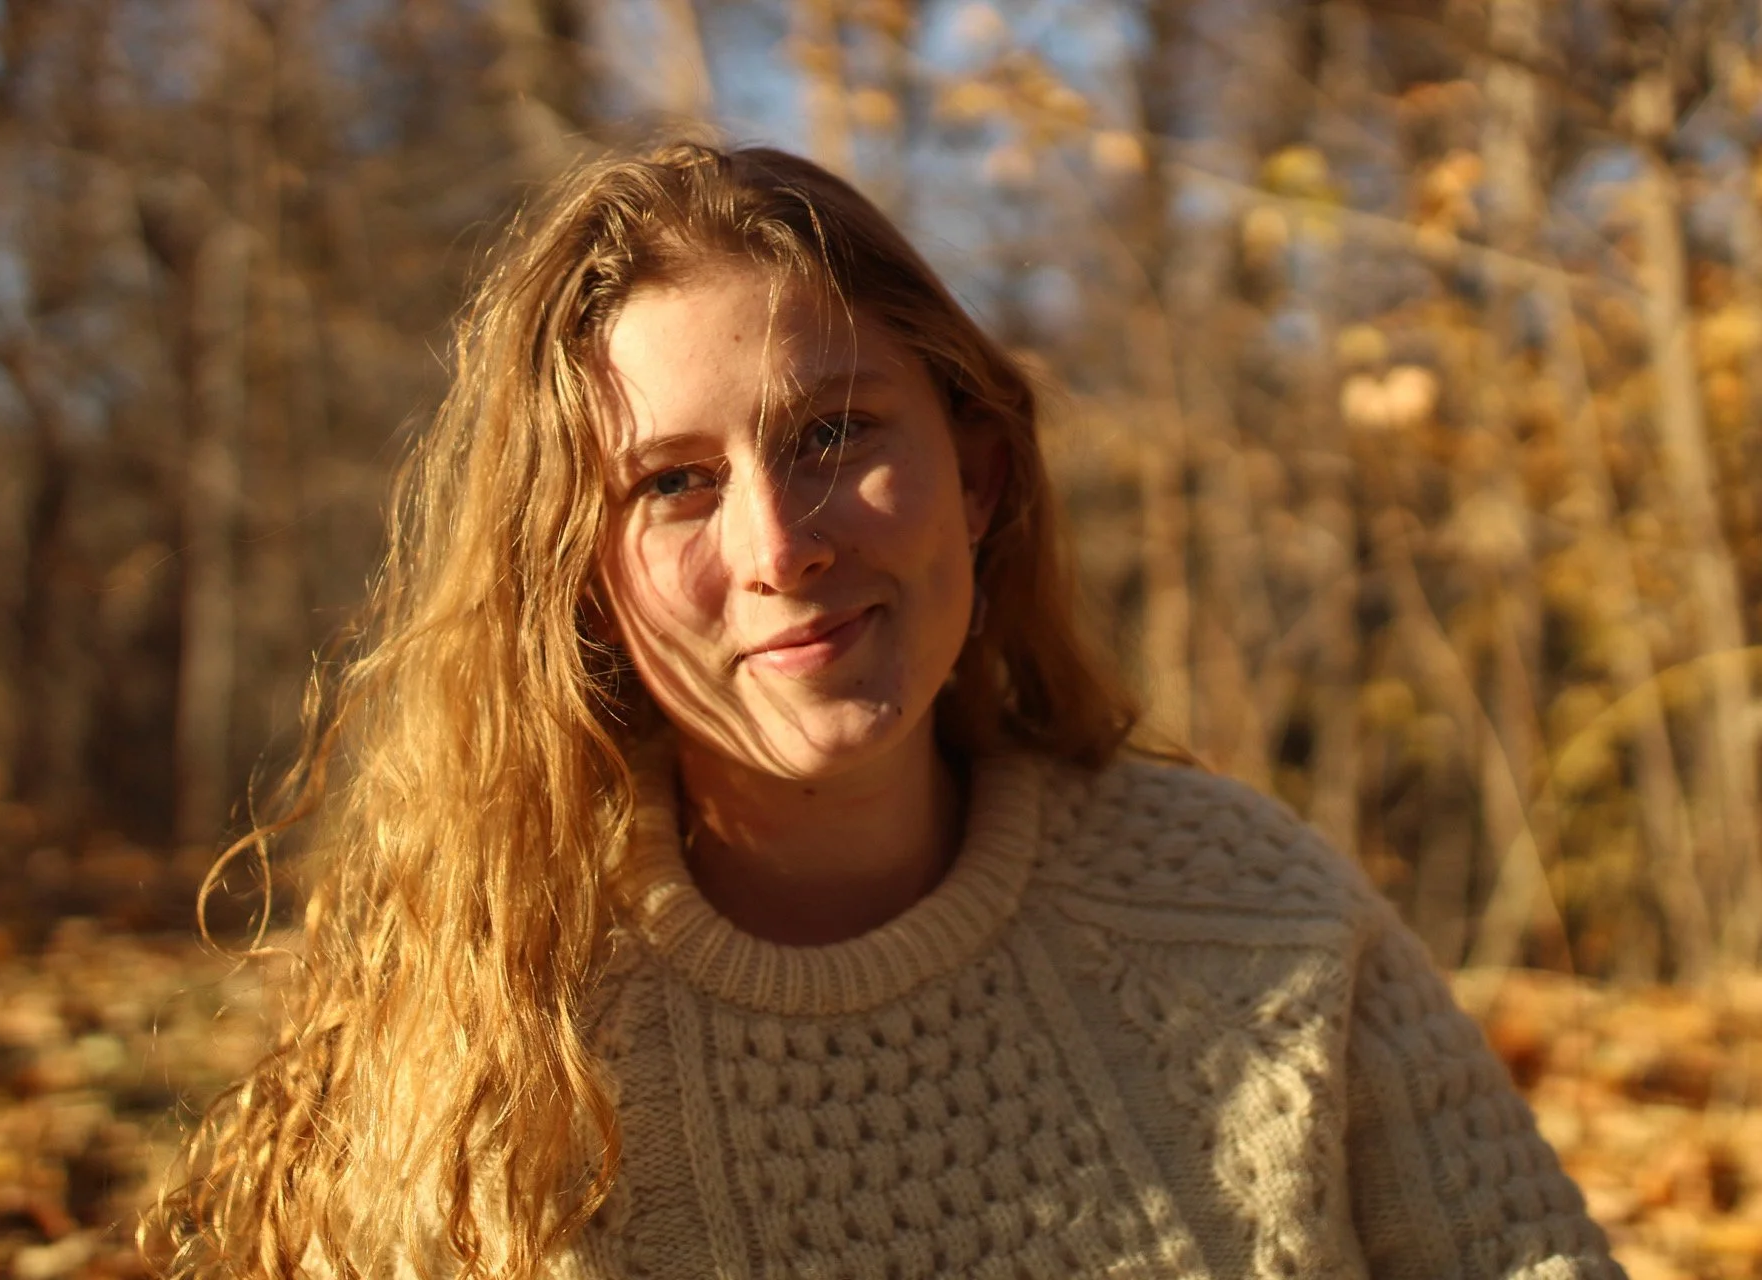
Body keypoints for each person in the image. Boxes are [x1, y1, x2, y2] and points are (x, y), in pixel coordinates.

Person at [150, 142, 1623, 1280]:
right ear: (573, 576)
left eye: (833, 433)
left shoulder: (1261, 925)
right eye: (671, 484)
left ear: (976, 477)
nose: (779, 549)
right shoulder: (474, 1032)